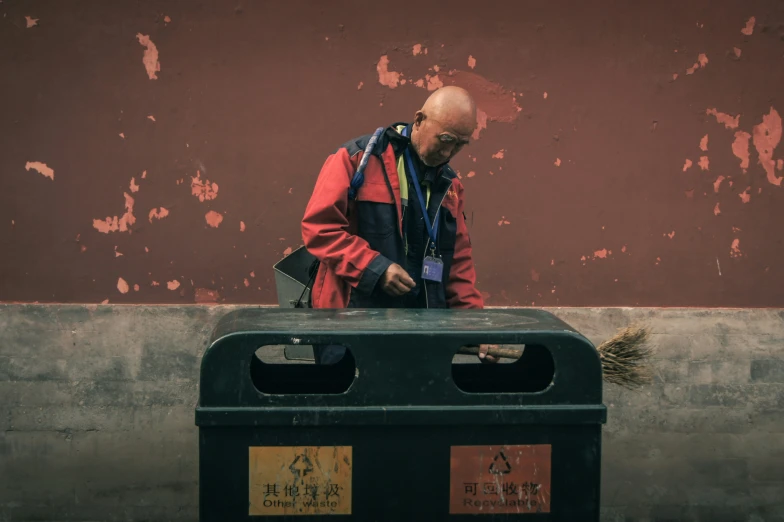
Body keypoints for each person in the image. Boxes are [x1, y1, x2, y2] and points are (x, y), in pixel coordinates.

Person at [301, 86, 497, 363]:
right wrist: (376, 269)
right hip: (349, 324)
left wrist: (475, 327)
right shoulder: (356, 159)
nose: (449, 151)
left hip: (422, 330)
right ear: (419, 120)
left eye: (460, 144)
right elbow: (320, 229)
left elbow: (458, 265)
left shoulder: (451, 187)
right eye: (445, 139)